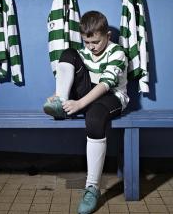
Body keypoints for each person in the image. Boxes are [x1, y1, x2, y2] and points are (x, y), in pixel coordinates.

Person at [43, 11, 129, 214]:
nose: (91, 47)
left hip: (111, 97)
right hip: (89, 93)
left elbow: (105, 85)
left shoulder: (118, 52)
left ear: (108, 35)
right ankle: (60, 102)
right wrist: (57, 95)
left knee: (94, 118)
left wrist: (80, 105)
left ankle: (92, 188)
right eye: (86, 42)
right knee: (68, 53)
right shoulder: (84, 51)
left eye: (96, 42)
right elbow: (73, 73)